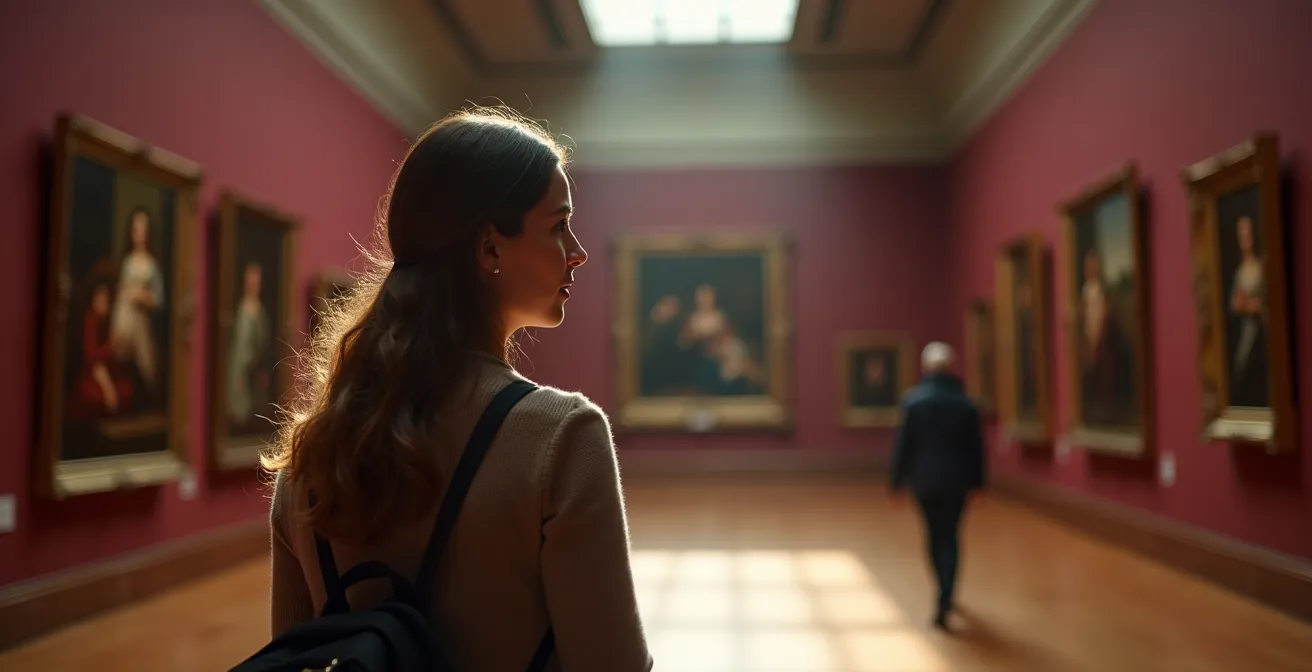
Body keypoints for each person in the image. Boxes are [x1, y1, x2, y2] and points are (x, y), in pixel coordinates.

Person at [260, 107, 653, 671]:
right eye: (558, 225)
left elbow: (295, 656)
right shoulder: (563, 439)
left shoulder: (311, 456)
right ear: (491, 248)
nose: (578, 251)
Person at [889, 341, 986, 631]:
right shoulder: (966, 404)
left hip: (924, 480)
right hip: (957, 482)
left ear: (926, 367)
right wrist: (979, 484)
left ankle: (942, 591)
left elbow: (903, 445)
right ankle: (947, 594)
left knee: (933, 535)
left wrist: (896, 481)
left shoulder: (914, 401)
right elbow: (977, 449)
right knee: (951, 536)